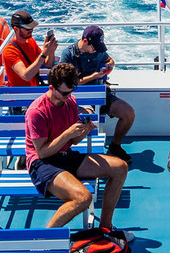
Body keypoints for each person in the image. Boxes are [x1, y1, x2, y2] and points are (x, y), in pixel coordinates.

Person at [24, 60, 128, 231]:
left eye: (71, 91)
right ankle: (44, 241)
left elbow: (73, 142)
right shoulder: (37, 112)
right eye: (64, 93)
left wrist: (84, 130)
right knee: (83, 198)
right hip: (42, 163)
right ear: (51, 87)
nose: (68, 97)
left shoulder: (70, 101)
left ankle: (105, 228)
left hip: (65, 155)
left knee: (120, 168)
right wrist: (68, 134)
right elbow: (42, 153)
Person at [69, 23, 135, 151]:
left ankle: (115, 146)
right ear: (84, 41)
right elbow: (69, 83)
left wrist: (109, 67)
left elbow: (110, 60)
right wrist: (93, 76)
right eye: (95, 47)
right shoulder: (69, 54)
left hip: (100, 95)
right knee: (87, 120)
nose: (97, 50)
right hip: (77, 100)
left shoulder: (98, 52)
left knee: (128, 113)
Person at [0, 11, 55, 89]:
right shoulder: (9, 51)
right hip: (19, 94)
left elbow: (48, 64)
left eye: (32, 27)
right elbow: (25, 76)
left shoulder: (31, 41)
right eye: (27, 28)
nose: (31, 30)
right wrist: (44, 53)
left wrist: (51, 51)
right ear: (16, 29)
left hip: (35, 89)